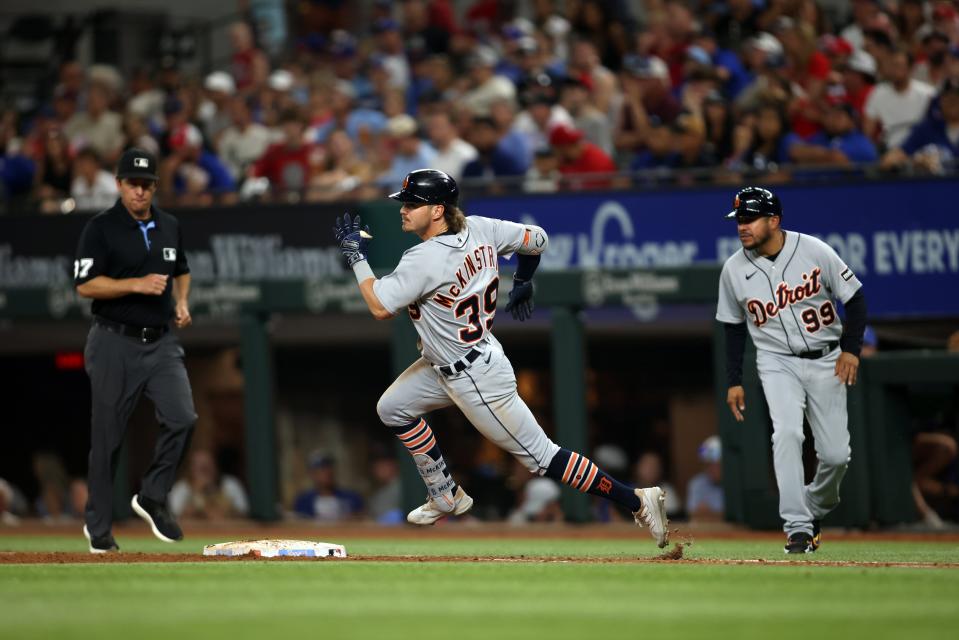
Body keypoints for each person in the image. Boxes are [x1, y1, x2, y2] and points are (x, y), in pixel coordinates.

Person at [332, 168, 669, 547]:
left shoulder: (423, 258)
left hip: (474, 376)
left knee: (543, 457)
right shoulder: (481, 228)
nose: (403, 210)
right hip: (454, 359)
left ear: (438, 210)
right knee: (392, 407)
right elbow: (537, 240)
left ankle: (637, 499)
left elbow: (379, 306)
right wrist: (524, 278)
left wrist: (355, 256)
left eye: (412, 204)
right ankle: (444, 493)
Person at [716, 186, 868, 554]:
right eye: (739, 220)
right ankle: (798, 528)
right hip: (776, 360)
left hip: (827, 357)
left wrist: (851, 350)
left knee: (835, 456)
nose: (742, 227)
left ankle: (814, 506)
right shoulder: (733, 269)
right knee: (786, 435)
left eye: (750, 219)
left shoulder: (814, 250)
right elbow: (734, 328)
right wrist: (734, 381)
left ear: (774, 221)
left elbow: (856, 299)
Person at [74, 147, 197, 553]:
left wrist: (181, 303)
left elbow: (181, 270)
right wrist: (136, 284)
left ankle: (152, 495)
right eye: (133, 183)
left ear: (155, 186)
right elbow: (85, 285)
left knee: (182, 417)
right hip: (113, 339)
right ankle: (99, 529)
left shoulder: (170, 225)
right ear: (119, 184)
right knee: (107, 439)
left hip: (160, 340)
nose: (140, 191)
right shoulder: (101, 227)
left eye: (146, 184)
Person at [168, 450, 249, 520]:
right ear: (190, 469)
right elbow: (176, 516)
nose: (205, 470)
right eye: (200, 467)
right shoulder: (180, 488)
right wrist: (198, 491)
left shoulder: (230, 484)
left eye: (208, 465)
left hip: (229, 533)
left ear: (215, 465)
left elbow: (243, 514)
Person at [292, 452, 364, 521]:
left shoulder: (351, 497)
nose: (326, 473)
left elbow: (362, 520)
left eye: (328, 468)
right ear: (312, 474)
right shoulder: (304, 500)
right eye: (321, 470)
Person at [685, 435, 725, 521]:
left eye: (715, 464)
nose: (711, 469)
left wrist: (711, 514)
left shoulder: (735, 483)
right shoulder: (697, 483)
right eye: (708, 464)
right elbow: (694, 515)